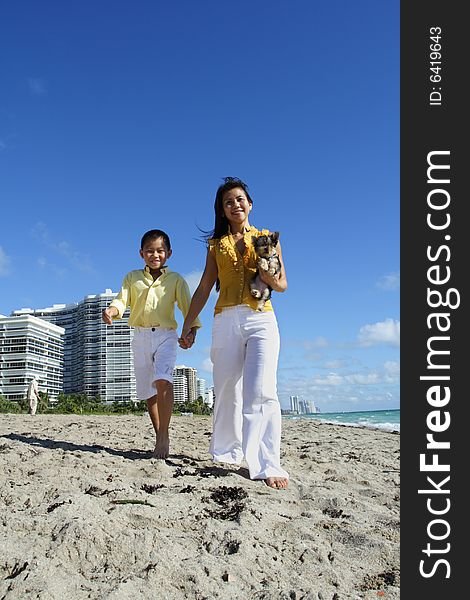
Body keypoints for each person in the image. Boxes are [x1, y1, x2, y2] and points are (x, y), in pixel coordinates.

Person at [179, 177, 289, 489]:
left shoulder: (267, 239)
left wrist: (267, 273)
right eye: (229, 202)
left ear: (249, 204)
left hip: (261, 319)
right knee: (226, 389)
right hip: (225, 318)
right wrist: (189, 323)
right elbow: (203, 287)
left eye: (240, 199)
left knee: (263, 389)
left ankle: (268, 463)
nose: (235, 205)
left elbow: (282, 285)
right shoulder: (216, 246)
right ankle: (228, 452)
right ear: (223, 211)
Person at [102, 229, 201, 459]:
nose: (154, 255)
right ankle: (159, 434)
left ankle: (164, 437)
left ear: (168, 253)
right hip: (140, 336)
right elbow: (122, 300)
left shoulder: (176, 280)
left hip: (167, 335)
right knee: (149, 391)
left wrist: (192, 331)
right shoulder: (132, 277)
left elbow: (188, 308)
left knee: (163, 379)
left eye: (159, 250)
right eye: (149, 251)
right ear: (141, 253)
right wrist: (111, 311)